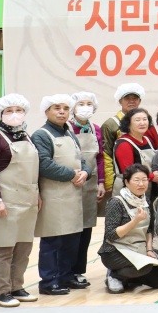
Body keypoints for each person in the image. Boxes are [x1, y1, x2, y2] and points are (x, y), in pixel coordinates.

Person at [0, 95, 41, 307]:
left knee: (23, 248)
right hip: (5, 201)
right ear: (0, 114)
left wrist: (37, 193)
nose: (15, 114)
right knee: (4, 249)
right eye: (9, 111)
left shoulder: (26, 137)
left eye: (19, 110)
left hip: (27, 201)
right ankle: (3, 292)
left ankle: (17, 287)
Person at [32, 94, 89, 296]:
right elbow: (44, 164)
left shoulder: (70, 134)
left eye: (65, 108)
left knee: (71, 240)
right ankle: (48, 281)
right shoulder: (41, 135)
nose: (62, 112)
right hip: (53, 196)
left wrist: (85, 172)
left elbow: (81, 160)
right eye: (57, 108)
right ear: (46, 111)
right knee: (52, 241)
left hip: (73, 195)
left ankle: (66, 276)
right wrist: (72, 175)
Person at [99, 164, 158, 294]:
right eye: (137, 180)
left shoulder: (146, 201)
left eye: (144, 180)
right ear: (126, 182)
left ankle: (130, 278)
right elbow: (111, 234)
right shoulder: (116, 202)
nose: (141, 184)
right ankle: (115, 275)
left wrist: (149, 250)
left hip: (137, 248)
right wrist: (135, 221)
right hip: (115, 251)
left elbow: (149, 230)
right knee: (144, 267)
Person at [67, 92, 105, 284]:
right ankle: (66, 271)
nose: (85, 107)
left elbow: (100, 157)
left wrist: (101, 182)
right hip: (70, 183)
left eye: (89, 103)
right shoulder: (66, 128)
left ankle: (78, 271)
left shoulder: (95, 129)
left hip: (90, 184)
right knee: (70, 229)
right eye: (80, 103)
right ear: (72, 108)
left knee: (86, 229)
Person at [100, 83, 145, 203]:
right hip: (121, 180)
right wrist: (109, 183)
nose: (131, 101)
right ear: (120, 101)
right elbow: (106, 154)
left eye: (134, 98)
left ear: (139, 101)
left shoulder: (145, 123)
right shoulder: (110, 124)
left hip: (144, 181)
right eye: (127, 98)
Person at [111, 108, 158, 195]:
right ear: (128, 124)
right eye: (137, 120)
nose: (142, 123)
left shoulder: (147, 140)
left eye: (145, 119)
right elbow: (128, 171)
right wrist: (152, 176)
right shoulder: (124, 144)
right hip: (127, 188)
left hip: (145, 186)